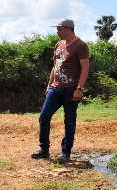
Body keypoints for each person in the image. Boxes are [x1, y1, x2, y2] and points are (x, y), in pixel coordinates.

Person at [32, 19, 90, 163]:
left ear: (68, 29)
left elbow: (85, 68)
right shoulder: (59, 45)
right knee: (44, 117)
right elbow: (55, 66)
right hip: (55, 88)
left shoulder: (81, 46)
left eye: (59, 29)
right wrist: (49, 84)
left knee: (69, 121)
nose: (57, 32)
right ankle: (44, 150)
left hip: (71, 89)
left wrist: (79, 89)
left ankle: (66, 153)